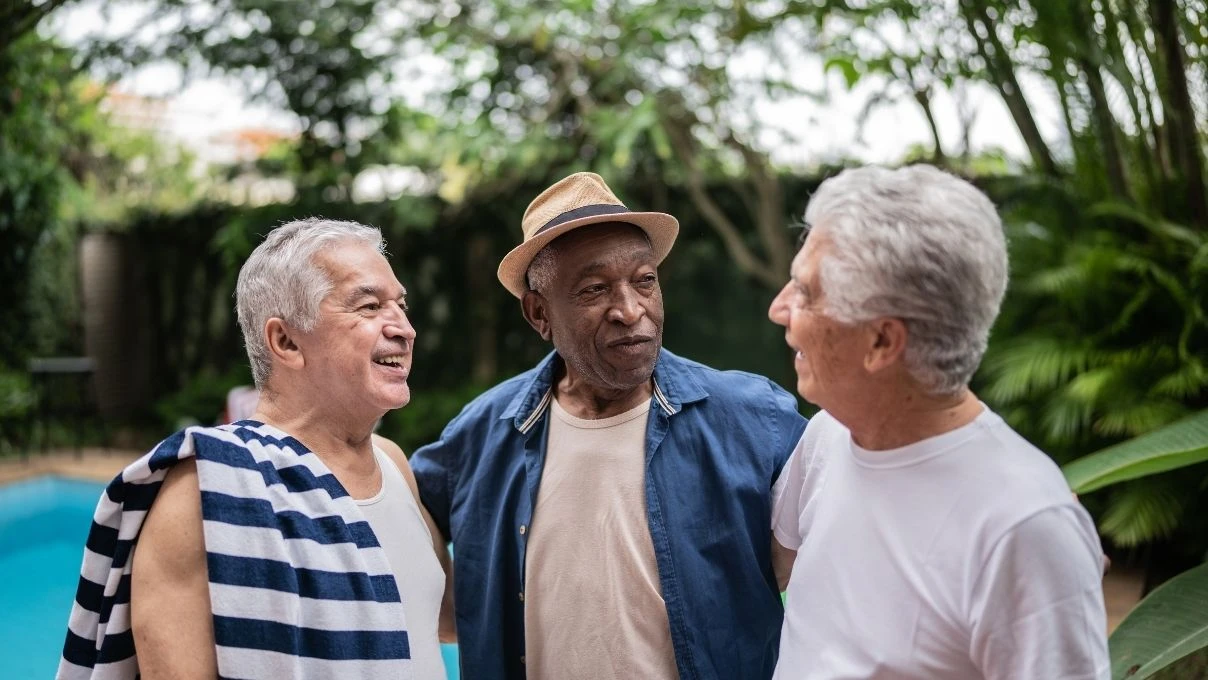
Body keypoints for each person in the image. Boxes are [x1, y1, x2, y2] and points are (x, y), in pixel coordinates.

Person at [410, 172, 808, 679]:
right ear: (538, 313)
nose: (629, 309)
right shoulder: (485, 433)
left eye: (645, 280)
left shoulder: (753, 417)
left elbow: (837, 558)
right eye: (595, 289)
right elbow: (401, 511)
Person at [59, 218, 453, 680]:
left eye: (401, 306)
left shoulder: (393, 463)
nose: (404, 329)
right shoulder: (206, 491)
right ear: (285, 341)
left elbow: (446, 619)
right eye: (369, 306)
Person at [768, 165, 1109, 679]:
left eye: (806, 293)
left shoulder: (1024, 525)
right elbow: (771, 571)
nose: (779, 309)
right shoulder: (828, 435)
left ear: (882, 342)